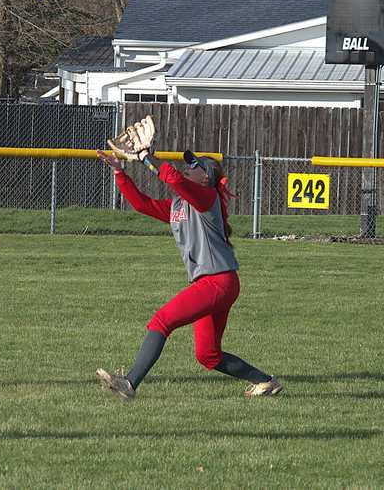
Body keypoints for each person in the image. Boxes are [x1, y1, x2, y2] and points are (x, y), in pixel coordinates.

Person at [95, 144, 282, 400]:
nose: (189, 167)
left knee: (161, 321)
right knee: (208, 355)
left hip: (217, 282)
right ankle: (265, 381)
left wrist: (145, 157)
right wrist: (119, 172)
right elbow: (142, 204)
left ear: (206, 178)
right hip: (218, 283)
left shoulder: (208, 198)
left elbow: (172, 177)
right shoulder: (179, 207)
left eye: (195, 165)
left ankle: (130, 383)